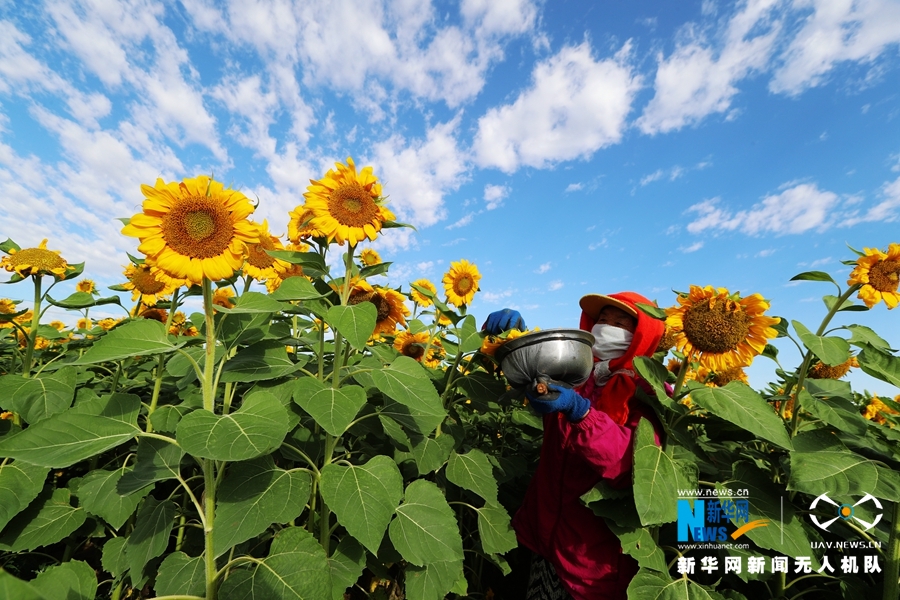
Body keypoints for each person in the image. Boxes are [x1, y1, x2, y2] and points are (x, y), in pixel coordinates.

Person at [483, 293, 665, 600]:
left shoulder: (648, 394)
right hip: (544, 535)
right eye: (602, 320)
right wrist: (513, 336)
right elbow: (533, 367)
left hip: (592, 559)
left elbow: (630, 467)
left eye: (620, 324)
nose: (606, 328)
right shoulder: (576, 374)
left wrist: (581, 414)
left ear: (642, 337)